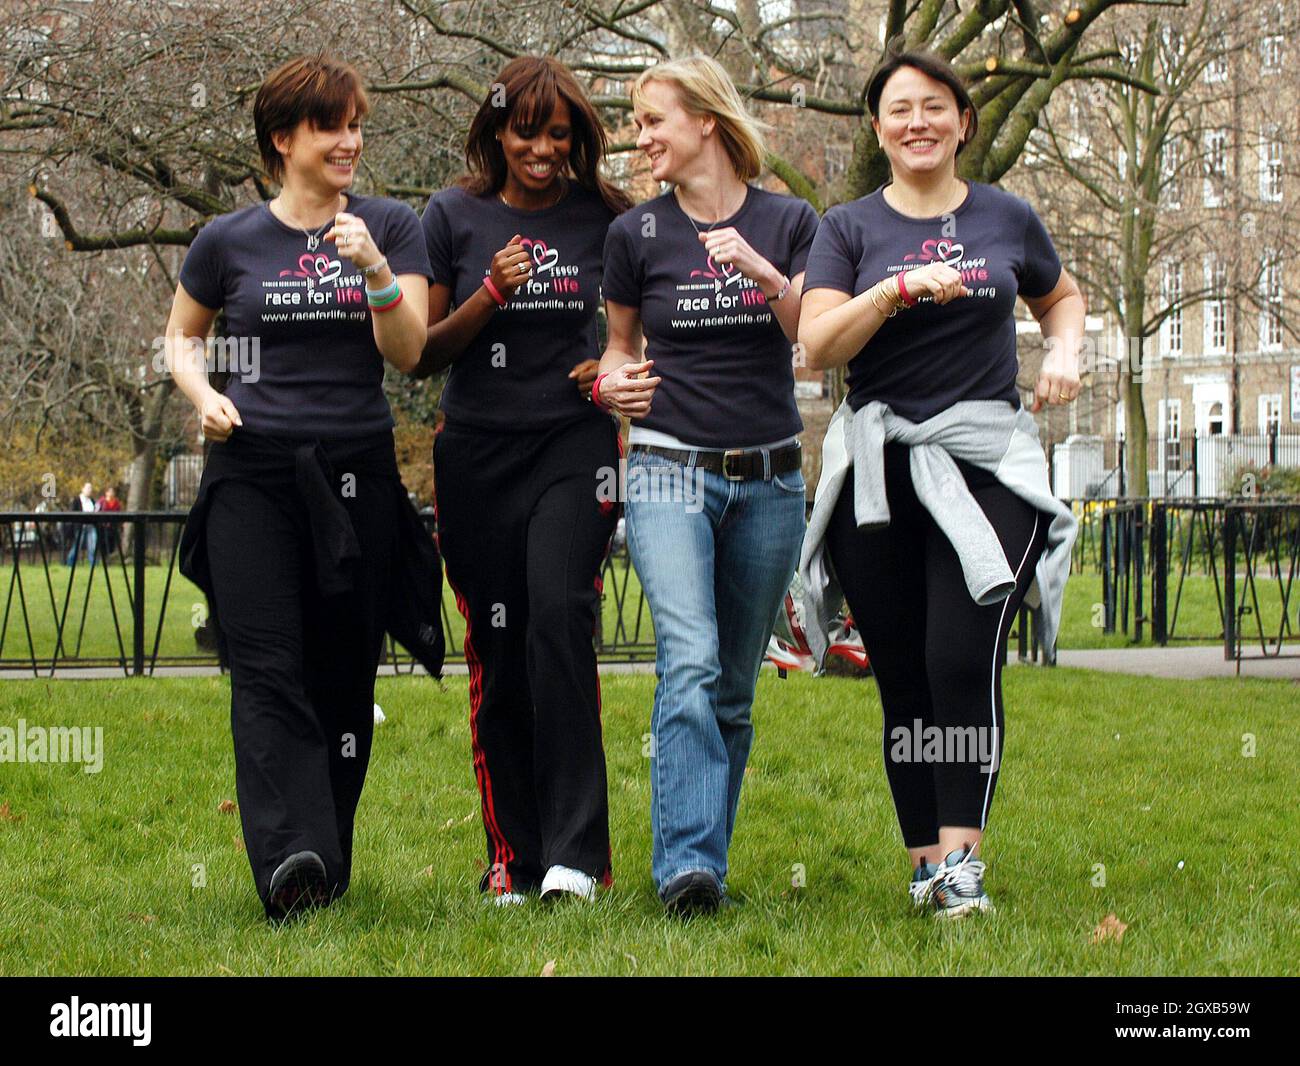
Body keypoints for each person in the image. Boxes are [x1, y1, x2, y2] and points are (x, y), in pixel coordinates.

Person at [797, 47, 1082, 918]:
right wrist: (892, 291)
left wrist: (1066, 349)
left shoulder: (1008, 217)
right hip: (880, 471)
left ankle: (964, 865)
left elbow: (1060, 298)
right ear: (878, 129)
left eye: (934, 107)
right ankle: (924, 862)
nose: (917, 122)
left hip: (986, 462)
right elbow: (818, 344)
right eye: (898, 109)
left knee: (961, 655)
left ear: (962, 122)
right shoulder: (845, 228)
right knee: (905, 673)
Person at [167, 53, 444, 921]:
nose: (349, 141)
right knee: (266, 666)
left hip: (355, 472)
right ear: (283, 140)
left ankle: (327, 850)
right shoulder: (228, 241)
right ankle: (292, 859)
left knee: (340, 672)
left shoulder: (393, 226)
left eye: (356, 124)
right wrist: (205, 392)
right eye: (331, 126)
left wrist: (373, 270)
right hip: (252, 473)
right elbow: (180, 338)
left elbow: (410, 353)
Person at [597, 55, 819, 914]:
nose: (642, 137)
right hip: (666, 468)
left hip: (769, 478)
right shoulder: (637, 235)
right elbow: (619, 345)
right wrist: (611, 382)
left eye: (654, 121)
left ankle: (703, 864)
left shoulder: (791, 221)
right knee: (687, 658)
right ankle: (686, 866)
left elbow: (816, 337)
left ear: (708, 123)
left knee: (732, 681)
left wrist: (766, 277)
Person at [414, 56, 631, 905]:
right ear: (496, 132)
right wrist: (492, 295)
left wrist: (613, 368)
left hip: (575, 449)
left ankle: (579, 858)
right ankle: (516, 855)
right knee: (500, 648)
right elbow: (425, 350)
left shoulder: (609, 219)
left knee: (559, 618)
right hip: (475, 455)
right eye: (524, 130)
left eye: (558, 132)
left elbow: (641, 328)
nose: (541, 148)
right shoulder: (452, 216)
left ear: (576, 137)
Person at [64, 482, 97, 568]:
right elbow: (73, 513)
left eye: (91, 488)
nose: (90, 490)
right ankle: (70, 561)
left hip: (90, 526)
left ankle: (93, 563)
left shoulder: (92, 501)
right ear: (82, 489)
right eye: (88, 488)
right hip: (80, 526)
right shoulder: (77, 500)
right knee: (77, 546)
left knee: (92, 545)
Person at [96, 485, 122, 557]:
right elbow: (97, 511)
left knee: (111, 541)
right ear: (106, 493)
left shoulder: (116, 502)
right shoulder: (101, 501)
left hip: (112, 526)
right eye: (109, 492)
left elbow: (118, 512)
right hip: (103, 526)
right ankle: (103, 555)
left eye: (112, 492)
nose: (111, 493)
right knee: (103, 541)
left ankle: (111, 554)